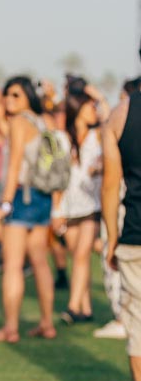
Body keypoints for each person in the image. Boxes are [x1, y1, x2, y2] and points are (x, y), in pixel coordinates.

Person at [0, 77, 60, 342]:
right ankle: (47, 324)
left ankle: (11, 328)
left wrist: (4, 205)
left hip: (21, 196)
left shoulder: (18, 122)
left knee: (13, 265)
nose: (9, 100)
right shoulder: (42, 121)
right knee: (40, 262)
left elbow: (14, 164)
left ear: (28, 96)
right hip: (42, 196)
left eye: (16, 95)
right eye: (7, 94)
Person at [102, 43, 141, 381]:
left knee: (139, 328)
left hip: (135, 237)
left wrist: (112, 239)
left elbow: (111, 186)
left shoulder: (121, 114)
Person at [56, 87, 105, 324]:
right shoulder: (63, 138)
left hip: (92, 206)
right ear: (78, 110)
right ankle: (86, 308)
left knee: (82, 255)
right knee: (77, 256)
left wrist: (100, 97)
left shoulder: (99, 136)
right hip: (69, 208)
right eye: (90, 106)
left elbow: (110, 117)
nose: (94, 110)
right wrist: (57, 211)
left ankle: (73, 307)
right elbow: (58, 179)